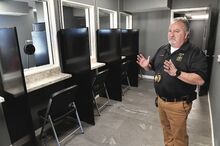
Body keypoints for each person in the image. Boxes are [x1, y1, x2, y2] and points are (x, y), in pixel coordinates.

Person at [137, 17, 207, 146]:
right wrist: (146, 66)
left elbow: (200, 80)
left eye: (177, 31)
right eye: (170, 30)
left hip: (178, 105)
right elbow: (153, 67)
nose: (171, 34)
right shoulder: (163, 49)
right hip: (161, 101)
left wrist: (177, 73)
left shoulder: (195, 53)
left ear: (186, 34)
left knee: (179, 138)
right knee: (167, 132)